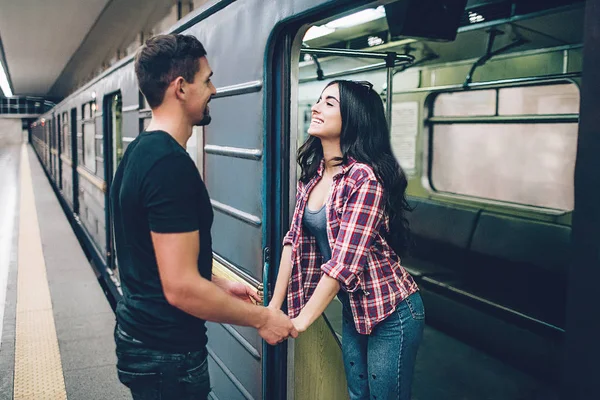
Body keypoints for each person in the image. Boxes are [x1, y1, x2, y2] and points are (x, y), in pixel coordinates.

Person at [110, 34, 297, 400]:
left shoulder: (140, 151)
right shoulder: (169, 166)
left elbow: (153, 254)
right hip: (167, 353)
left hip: (143, 338)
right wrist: (263, 319)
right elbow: (180, 288)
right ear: (181, 88)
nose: (213, 89)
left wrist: (217, 283)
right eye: (207, 79)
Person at [268, 80, 424, 400]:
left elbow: (342, 265)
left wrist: (297, 323)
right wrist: (273, 307)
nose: (316, 107)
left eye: (329, 103)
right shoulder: (313, 176)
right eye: (318, 100)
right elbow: (292, 241)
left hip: (391, 310)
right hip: (355, 308)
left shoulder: (363, 178)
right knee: (356, 394)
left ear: (353, 118)